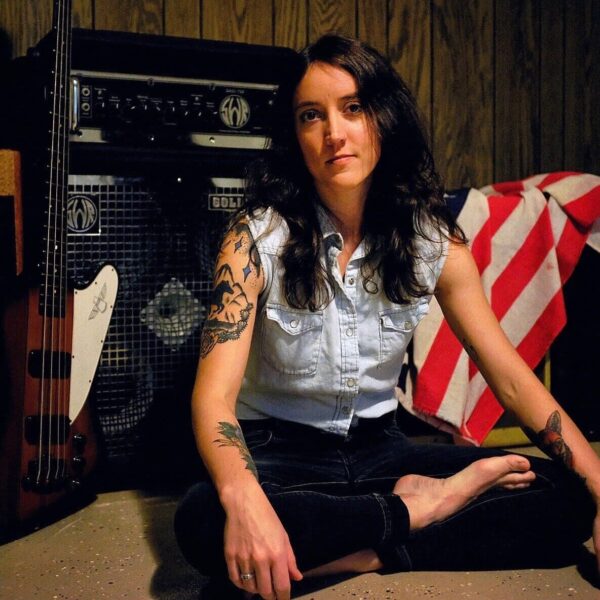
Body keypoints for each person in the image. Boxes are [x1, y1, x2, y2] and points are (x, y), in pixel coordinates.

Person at [174, 34, 599, 600]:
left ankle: (370, 538)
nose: (334, 133)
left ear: (384, 117)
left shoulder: (435, 243)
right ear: (294, 137)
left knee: (562, 493)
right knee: (204, 520)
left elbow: (513, 379)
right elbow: (212, 398)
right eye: (311, 116)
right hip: (279, 456)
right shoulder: (255, 239)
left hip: (384, 452)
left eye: (353, 108)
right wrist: (245, 498)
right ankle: (414, 518)